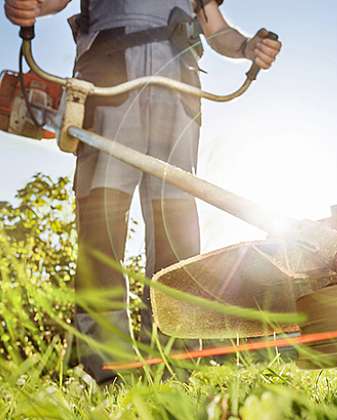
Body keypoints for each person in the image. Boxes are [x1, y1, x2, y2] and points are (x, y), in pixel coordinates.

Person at [5, 0, 282, 383]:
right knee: (101, 231)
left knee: (177, 239)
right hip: (108, 79)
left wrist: (249, 47)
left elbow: (216, 29)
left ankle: (176, 373)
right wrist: (27, 6)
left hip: (177, 84)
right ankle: (108, 376)